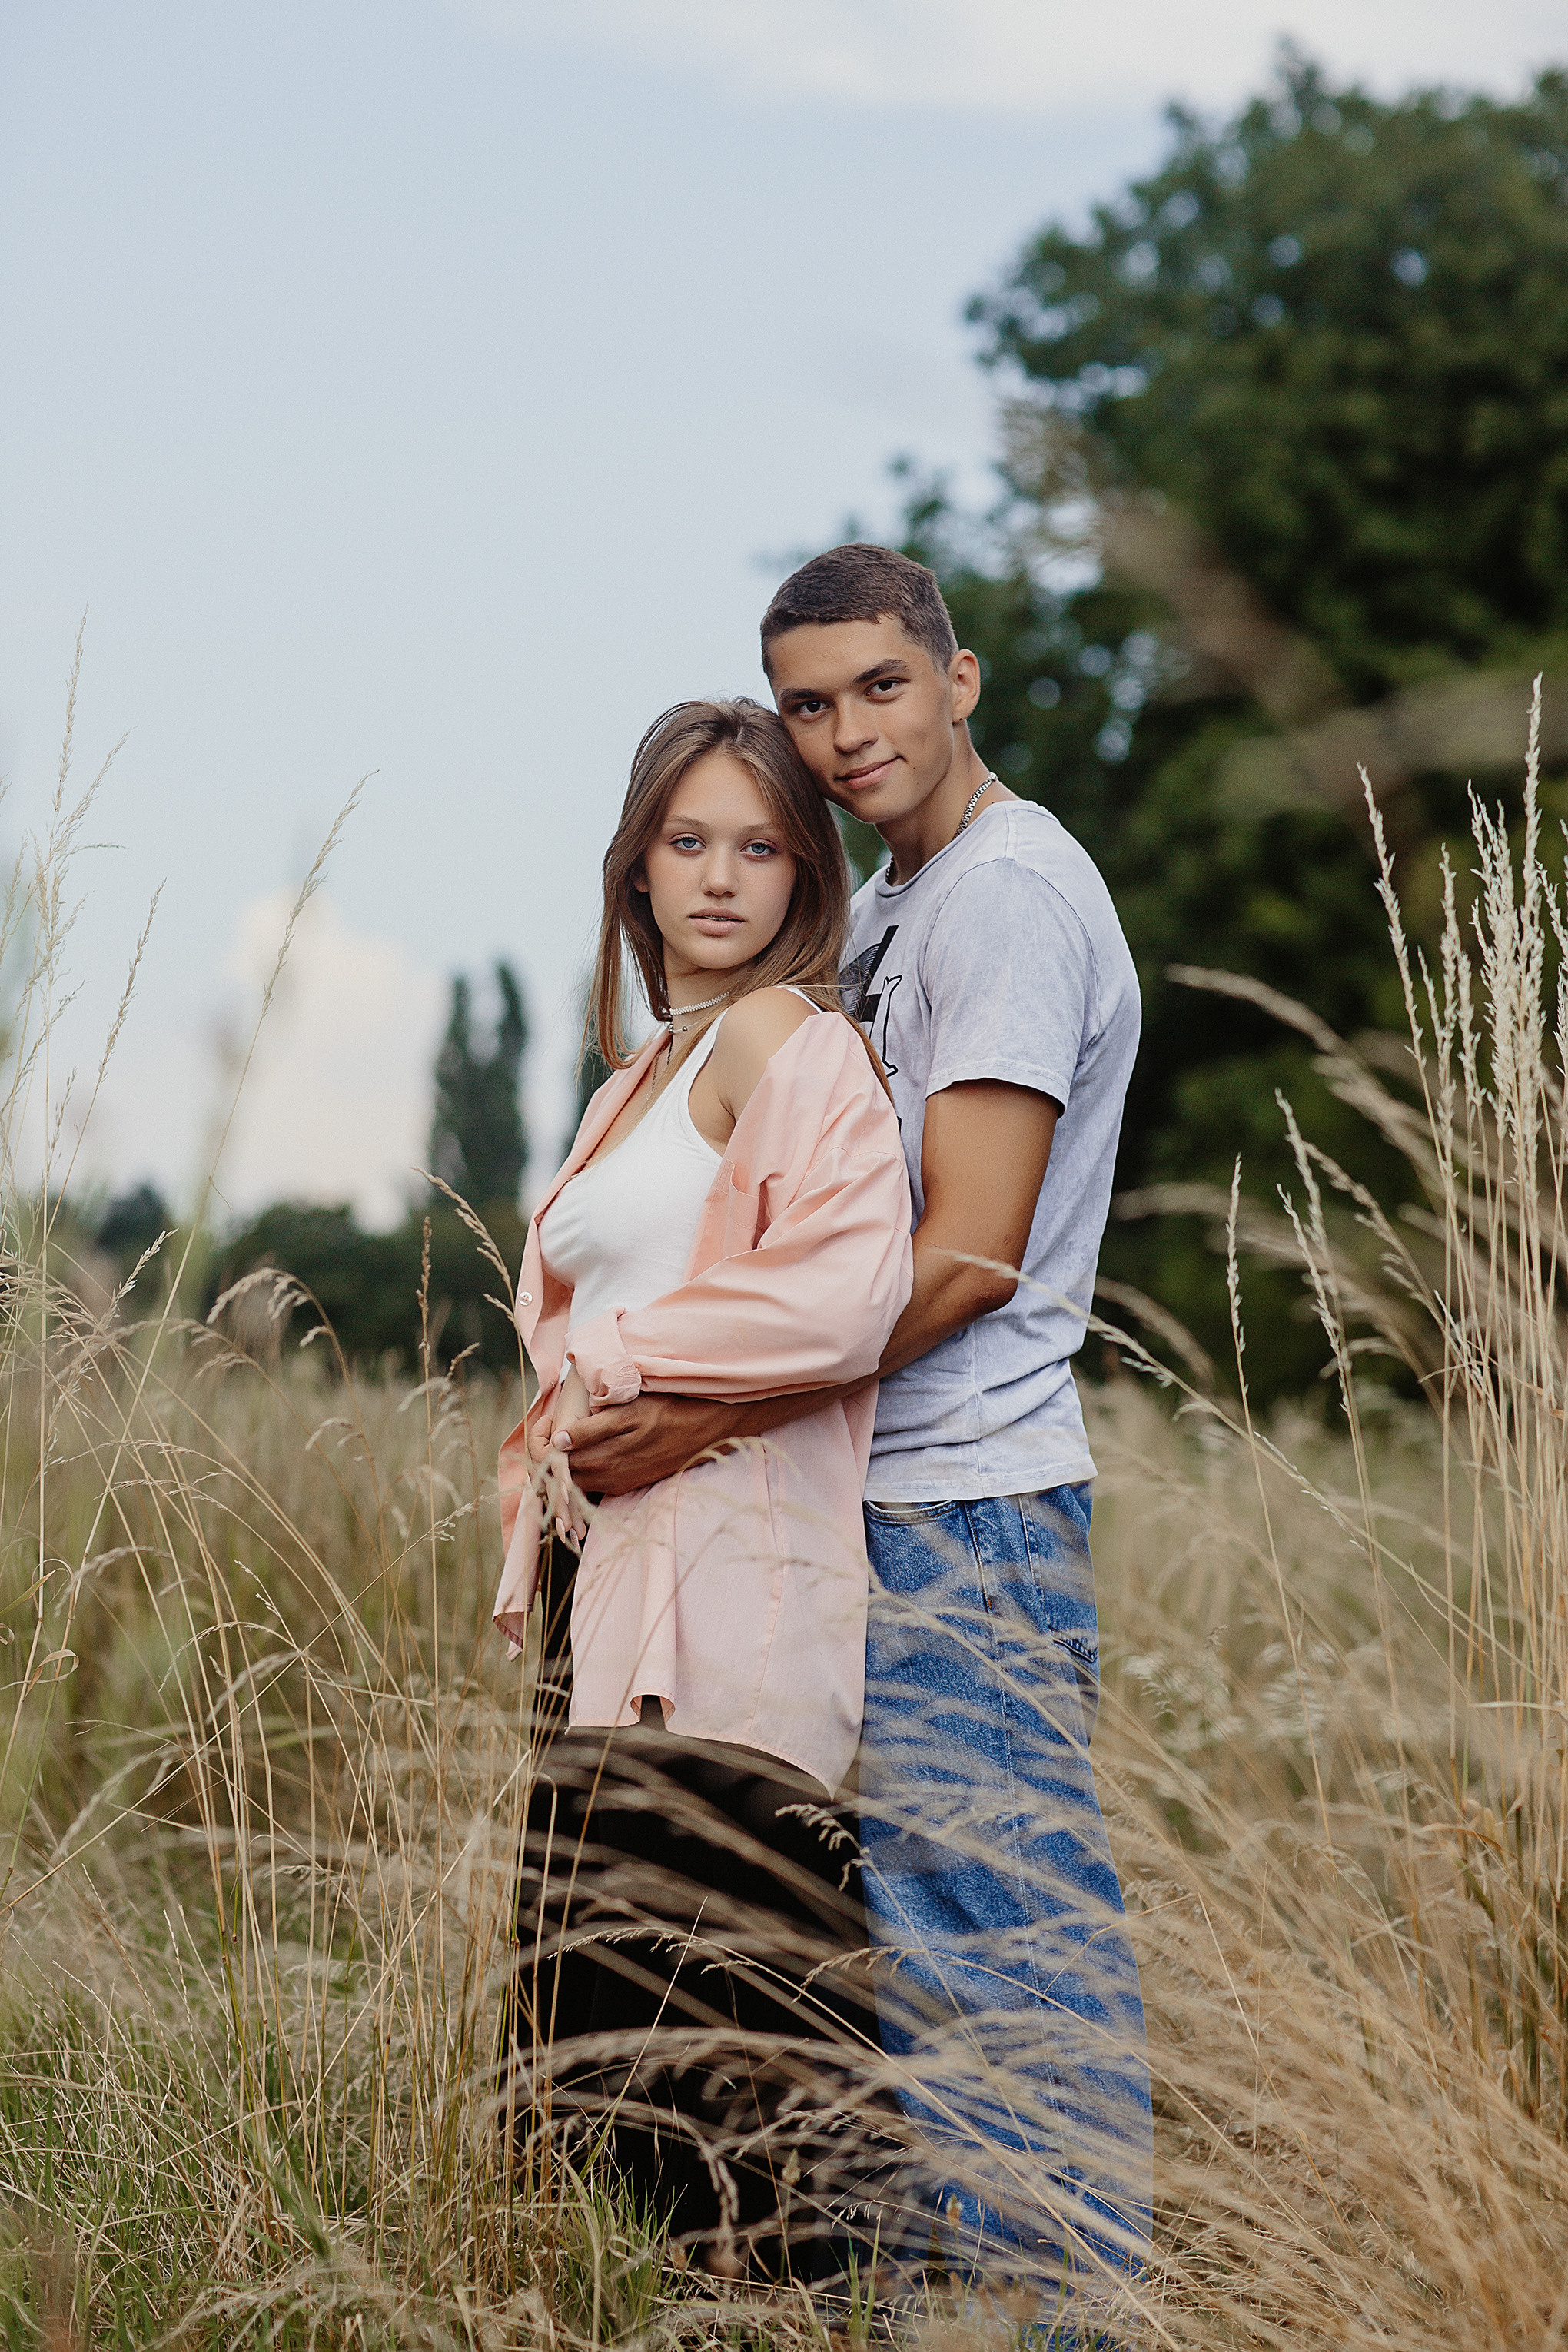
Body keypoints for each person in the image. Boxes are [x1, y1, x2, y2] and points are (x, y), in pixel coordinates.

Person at [553, 547, 1154, 2327]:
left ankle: (1065, 2323)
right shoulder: (895, 910)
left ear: (960, 679)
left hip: (963, 1505)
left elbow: (964, 1248)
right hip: (850, 1503)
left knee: (1004, 1943)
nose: (843, 732)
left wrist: (697, 1418)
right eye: (809, 702)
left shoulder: (1010, 899)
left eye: (879, 687)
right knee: (868, 1956)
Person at [493, 697, 912, 2279]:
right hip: (615, 1587)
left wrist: (620, 1370)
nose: (722, 878)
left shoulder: (792, 1046)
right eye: (689, 842)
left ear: (808, 872)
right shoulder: (632, 1086)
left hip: (742, 1577)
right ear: (639, 867)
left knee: (743, 2022)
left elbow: (847, 1290)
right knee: (612, 2031)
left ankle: (806, 2305)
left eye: (759, 845)